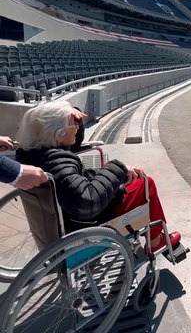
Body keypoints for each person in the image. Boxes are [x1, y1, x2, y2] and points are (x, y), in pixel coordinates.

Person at [15, 101, 181, 253]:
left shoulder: (33, 153)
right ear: (58, 134)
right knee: (145, 183)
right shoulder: (59, 163)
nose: (77, 126)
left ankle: (152, 235)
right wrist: (118, 169)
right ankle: (155, 241)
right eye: (73, 123)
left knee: (128, 180)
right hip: (88, 223)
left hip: (64, 220)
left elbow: (72, 144)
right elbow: (87, 202)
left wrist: (74, 119)